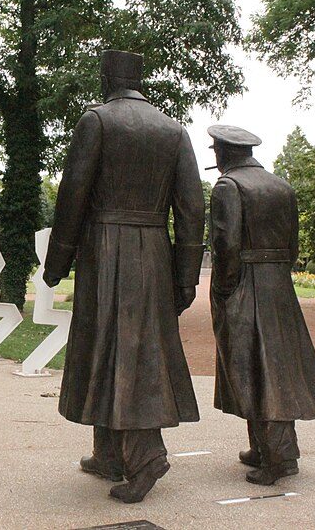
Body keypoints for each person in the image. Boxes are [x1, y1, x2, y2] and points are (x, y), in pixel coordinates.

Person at [43, 50, 205, 503]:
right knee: (128, 349)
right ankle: (108, 453)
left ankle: (147, 456)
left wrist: (57, 262)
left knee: (118, 350)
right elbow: (192, 209)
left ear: (106, 78)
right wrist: (186, 274)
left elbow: (72, 196)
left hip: (106, 250)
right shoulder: (174, 131)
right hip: (154, 253)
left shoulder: (97, 121)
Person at [207, 124, 315, 486]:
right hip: (278, 284)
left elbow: (225, 246)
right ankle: (270, 448)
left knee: (252, 367)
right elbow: (293, 245)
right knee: (275, 366)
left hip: (246, 282)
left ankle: (277, 457)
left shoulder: (228, 187)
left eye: (215, 152)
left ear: (223, 152)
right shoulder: (282, 187)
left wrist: (224, 289)